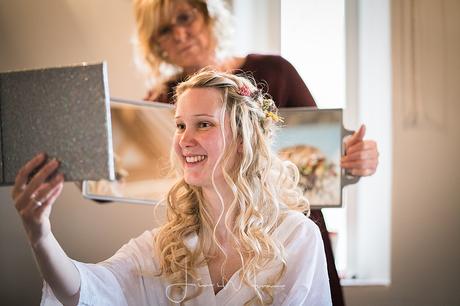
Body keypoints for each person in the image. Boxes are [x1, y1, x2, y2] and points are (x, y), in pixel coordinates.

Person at [132, 0, 379, 305]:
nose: (180, 34)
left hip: (288, 236)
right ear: (156, 44)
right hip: (209, 246)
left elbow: (324, 148)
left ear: (208, 16)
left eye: (185, 18)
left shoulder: (274, 72)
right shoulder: (157, 104)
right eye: (165, 30)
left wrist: (353, 161)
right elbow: (128, 174)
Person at [12, 70, 332, 305]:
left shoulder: (296, 238)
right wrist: (40, 235)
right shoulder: (165, 247)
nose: (184, 139)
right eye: (180, 125)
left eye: (203, 124)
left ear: (242, 139)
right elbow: (86, 290)